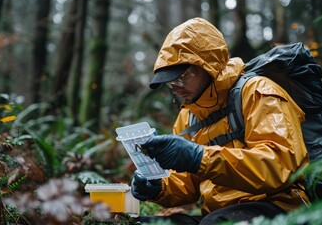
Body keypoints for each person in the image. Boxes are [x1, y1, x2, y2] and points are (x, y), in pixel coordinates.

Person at [131, 17, 310, 225]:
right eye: (170, 83)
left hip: (279, 207)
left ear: (207, 66)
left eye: (181, 77)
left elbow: (280, 166)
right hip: (220, 214)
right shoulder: (187, 116)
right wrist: (158, 188)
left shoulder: (258, 92)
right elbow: (186, 186)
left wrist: (199, 157)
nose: (176, 87)